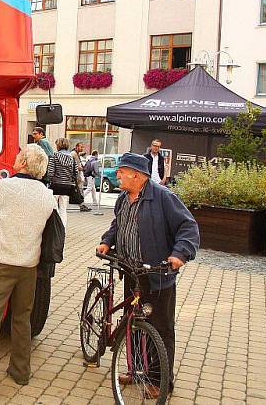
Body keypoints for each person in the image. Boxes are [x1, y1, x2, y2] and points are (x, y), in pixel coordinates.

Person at [96, 153, 200, 398]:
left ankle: (159, 380)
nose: (117, 174)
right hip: (132, 272)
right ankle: (136, 370)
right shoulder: (123, 198)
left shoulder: (163, 197)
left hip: (157, 274)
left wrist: (179, 254)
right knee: (133, 324)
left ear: (137, 175)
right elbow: (118, 225)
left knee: (160, 329)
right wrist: (107, 241)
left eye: (122, 170)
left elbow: (188, 226)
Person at [0, 145, 56, 396]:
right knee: (21, 318)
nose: (15, 156)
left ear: (24, 162)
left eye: (19, 154)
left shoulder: (5, 187)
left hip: (2, 262)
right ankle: (20, 371)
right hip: (29, 265)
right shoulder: (46, 194)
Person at [45, 138, 79, 227]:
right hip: (67, 186)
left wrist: (49, 179)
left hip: (56, 185)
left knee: (53, 208)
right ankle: (63, 228)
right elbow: (75, 172)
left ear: (58, 145)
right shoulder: (72, 157)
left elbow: (50, 171)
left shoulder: (54, 156)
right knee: (63, 209)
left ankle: (54, 228)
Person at [72, 142, 92, 212]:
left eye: (82, 147)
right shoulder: (73, 154)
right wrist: (78, 168)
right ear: (76, 147)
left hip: (78, 175)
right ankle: (82, 205)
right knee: (79, 190)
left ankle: (82, 205)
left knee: (80, 190)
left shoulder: (77, 154)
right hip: (76, 176)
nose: (82, 148)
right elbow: (72, 164)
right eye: (81, 147)